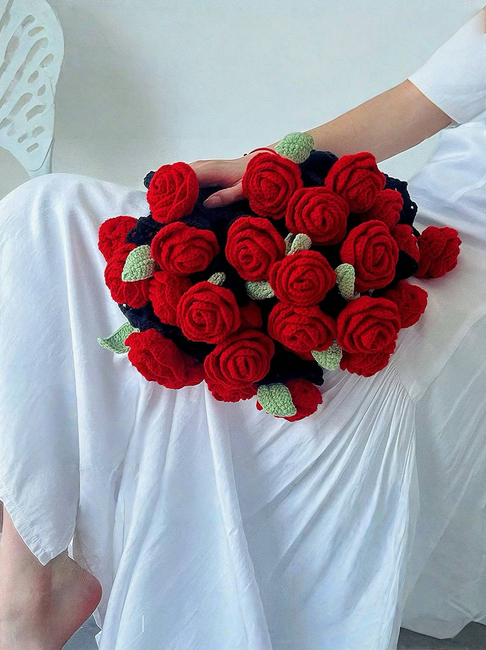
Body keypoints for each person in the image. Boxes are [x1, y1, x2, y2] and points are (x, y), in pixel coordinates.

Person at [1, 7, 486, 650]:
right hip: (421, 233)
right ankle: (28, 587)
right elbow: (418, 102)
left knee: (307, 388)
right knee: (48, 214)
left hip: (469, 294)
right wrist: (264, 166)